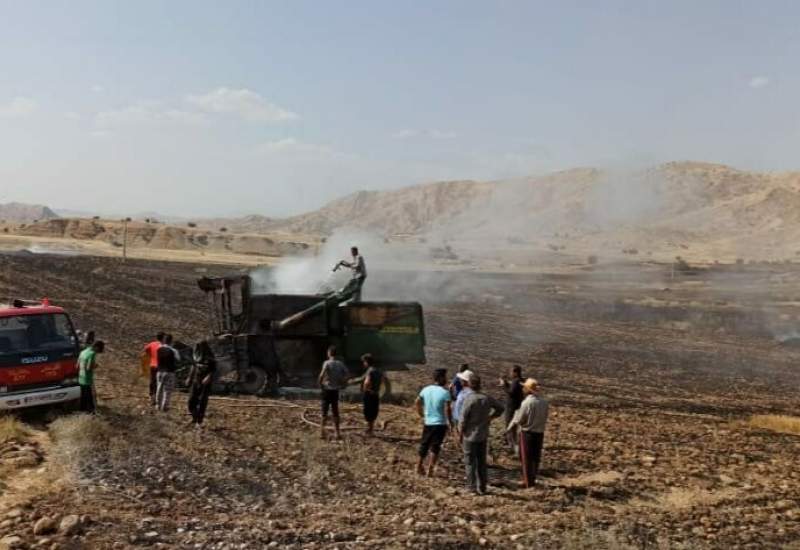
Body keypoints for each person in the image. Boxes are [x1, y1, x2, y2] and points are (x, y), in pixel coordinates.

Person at [459, 373, 504, 495]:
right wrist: (490, 417)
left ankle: (471, 487)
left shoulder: (469, 399)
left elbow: (463, 419)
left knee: (469, 462)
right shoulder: (487, 398)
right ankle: (482, 487)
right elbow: (501, 408)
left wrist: (460, 434)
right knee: (481, 462)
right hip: (483, 435)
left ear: (469, 384)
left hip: (469, 435)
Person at [506, 378, 550, 488]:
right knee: (535, 457)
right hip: (539, 433)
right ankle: (533, 479)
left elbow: (520, 419)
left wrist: (511, 426)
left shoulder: (527, 403)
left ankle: (527, 482)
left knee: (526, 459)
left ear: (527, 389)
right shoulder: (544, 403)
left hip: (527, 433)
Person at [415, 368, 453, 477]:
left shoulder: (425, 389)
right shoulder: (445, 393)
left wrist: (421, 414)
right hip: (440, 423)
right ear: (441, 378)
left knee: (424, 444)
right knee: (435, 447)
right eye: (445, 377)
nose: (446, 379)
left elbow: (417, 402)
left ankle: (418, 466)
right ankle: (430, 470)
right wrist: (450, 422)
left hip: (428, 422)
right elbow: (447, 409)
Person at [318, 345, 350, 440]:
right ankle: (337, 433)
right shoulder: (340, 364)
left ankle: (322, 433)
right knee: (335, 412)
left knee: (324, 412)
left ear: (329, 353)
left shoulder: (326, 363)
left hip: (327, 390)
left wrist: (320, 385)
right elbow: (348, 375)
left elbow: (321, 375)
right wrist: (342, 382)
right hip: (335, 390)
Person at [188, 341, 216, 427]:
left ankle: (199, 421)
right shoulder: (196, 356)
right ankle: (195, 416)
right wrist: (189, 377)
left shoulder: (210, 357)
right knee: (191, 401)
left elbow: (213, 369)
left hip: (205, 382)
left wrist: (208, 376)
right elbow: (193, 366)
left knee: (202, 401)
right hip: (196, 380)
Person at [500, 365, 525, 451]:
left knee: (509, 425)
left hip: (511, 407)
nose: (510, 373)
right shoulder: (521, 381)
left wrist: (503, 385)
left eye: (511, 372)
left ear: (515, 373)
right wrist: (506, 383)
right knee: (514, 426)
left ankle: (511, 445)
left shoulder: (515, 381)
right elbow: (513, 390)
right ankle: (512, 443)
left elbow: (511, 393)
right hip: (517, 406)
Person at [361, 353, 386, 436]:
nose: (363, 363)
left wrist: (366, 389)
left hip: (369, 394)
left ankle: (369, 430)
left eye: (364, 362)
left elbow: (367, 382)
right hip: (376, 393)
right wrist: (378, 391)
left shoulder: (370, 371)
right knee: (373, 411)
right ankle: (371, 430)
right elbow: (382, 382)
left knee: (367, 411)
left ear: (367, 362)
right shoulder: (379, 371)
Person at [78, 340, 105, 414]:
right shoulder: (92, 354)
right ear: (96, 347)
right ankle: (92, 412)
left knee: (83, 396)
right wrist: (95, 366)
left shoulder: (83, 351)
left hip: (81, 377)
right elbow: (88, 368)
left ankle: (82, 411)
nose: (97, 352)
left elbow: (77, 365)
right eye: (99, 350)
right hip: (87, 379)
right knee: (90, 397)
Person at [155, 334, 180, 412]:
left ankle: (157, 405)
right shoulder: (173, 350)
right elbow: (178, 359)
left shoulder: (158, 349)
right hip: (169, 372)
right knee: (167, 390)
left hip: (159, 371)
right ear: (171, 341)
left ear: (164, 340)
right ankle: (164, 407)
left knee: (159, 388)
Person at [142, 332, 165, 407]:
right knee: (160, 383)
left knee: (152, 381)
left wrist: (151, 355)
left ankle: (151, 396)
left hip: (152, 365)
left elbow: (145, 350)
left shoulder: (152, 344)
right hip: (161, 366)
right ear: (163, 338)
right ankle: (157, 399)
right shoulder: (164, 346)